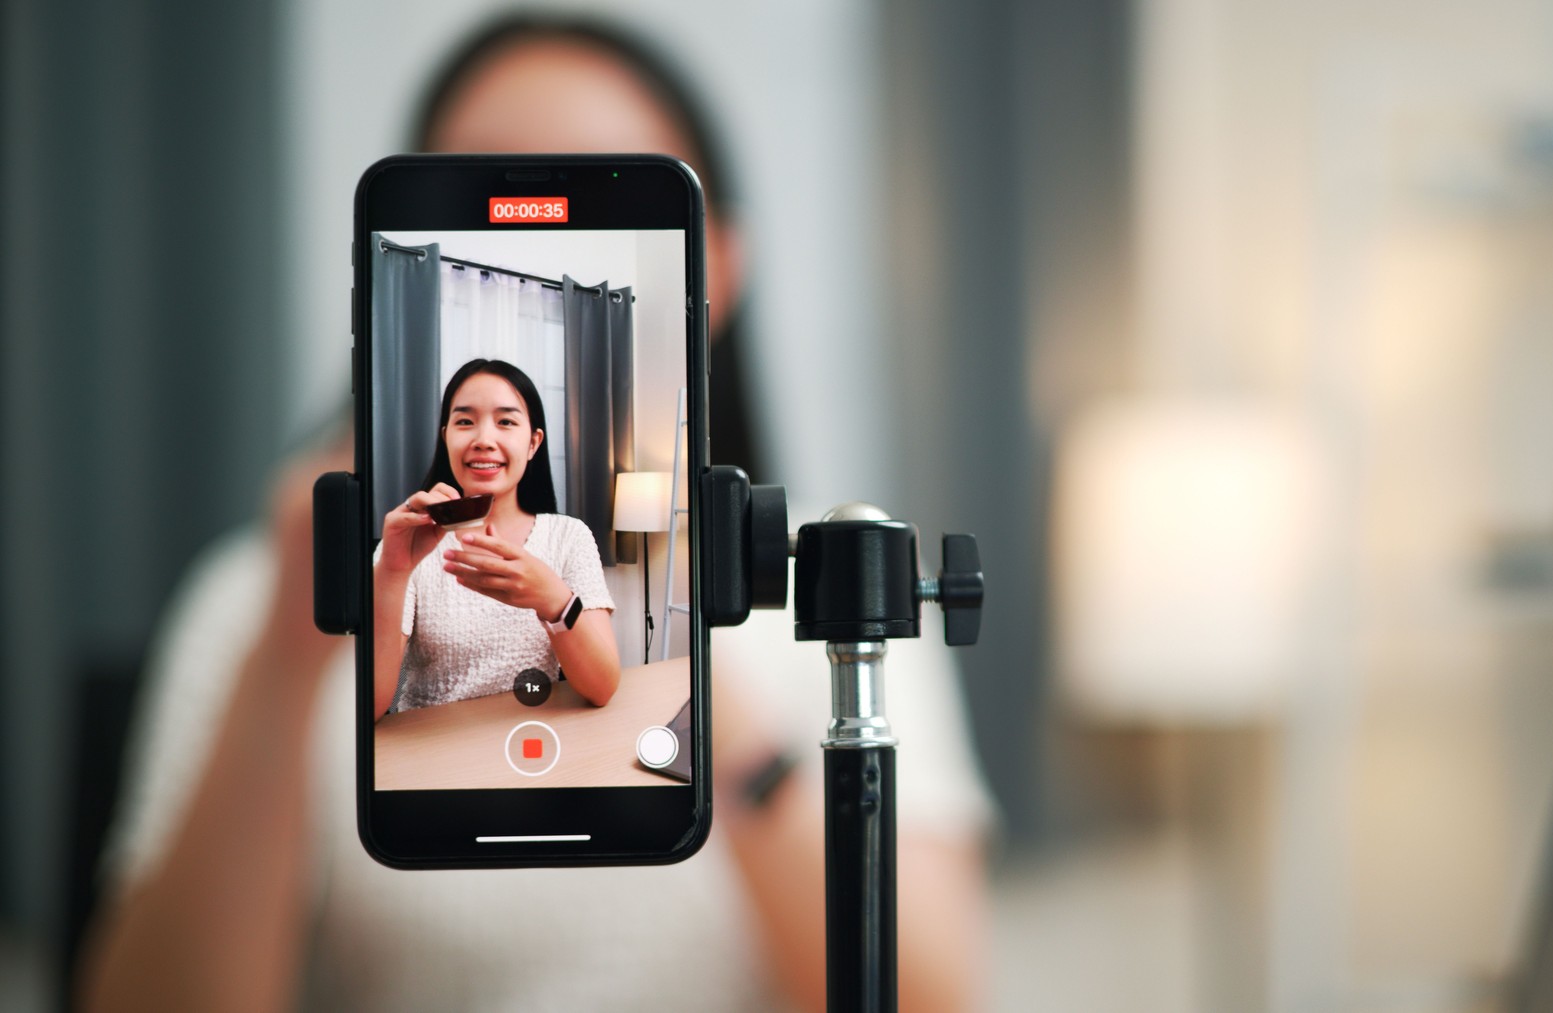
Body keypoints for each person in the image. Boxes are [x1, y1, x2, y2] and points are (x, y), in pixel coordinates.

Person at [77, 15, 991, 1013]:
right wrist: (292, 646)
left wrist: (680, 631)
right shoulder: (259, 595)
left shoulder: (833, 582)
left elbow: (931, 994)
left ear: (714, 266)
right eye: (482, 210)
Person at [375, 358, 620, 716]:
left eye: (505, 421)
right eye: (464, 422)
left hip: (534, 746)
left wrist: (554, 600)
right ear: (446, 437)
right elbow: (369, 707)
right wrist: (393, 571)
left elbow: (601, 688)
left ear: (533, 442)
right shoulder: (406, 544)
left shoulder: (569, 537)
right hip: (435, 753)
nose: (483, 440)